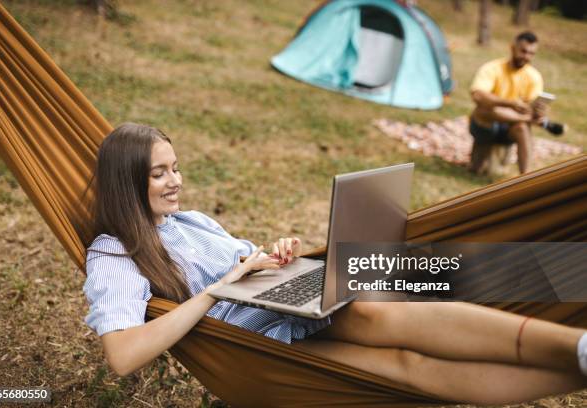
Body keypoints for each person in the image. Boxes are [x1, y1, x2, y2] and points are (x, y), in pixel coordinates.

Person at [83, 123, 587, 405]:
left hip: (291, 299)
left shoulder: (187, 220)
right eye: (159, 174)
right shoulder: (112, 252)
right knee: (408, 370)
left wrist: (269, 258)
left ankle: (578, 346)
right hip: (263, 348)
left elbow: (242, 264)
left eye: (175, 167)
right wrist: (218, 290)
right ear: (128, 184)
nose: (176, 181)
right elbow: (123, 356)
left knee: (409, 291)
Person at [469, 31, 565, 174]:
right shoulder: (492, 68)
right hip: (485, 126)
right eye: (523, 51)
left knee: (522, 127)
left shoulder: (533, 76)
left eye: (531, 53)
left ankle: (526, 177)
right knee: (486, 109)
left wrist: (538, 111)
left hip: (510, 128)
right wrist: (512, 104)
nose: (526, 57)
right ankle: (537, 122)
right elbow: (478, 96)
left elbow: (530, 107)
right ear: (512, 48)